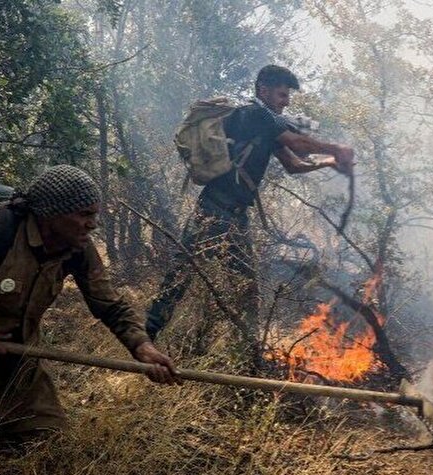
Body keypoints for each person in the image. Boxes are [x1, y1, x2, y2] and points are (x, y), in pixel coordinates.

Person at [146, 65, 355, 368]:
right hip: (214, 210)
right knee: (181, 276)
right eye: (282, 94)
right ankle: (145, 339)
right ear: (263, 90)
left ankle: (248, 356)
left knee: (246, 288)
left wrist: (328, 163)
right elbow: (297, 143)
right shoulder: (255, 116)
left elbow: (294, 165)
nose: (286, 102)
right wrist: (335, 148)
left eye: (287, 97)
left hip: (235, 216)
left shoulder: (267, 127)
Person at [0, 165, 181, 448]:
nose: (92, 224)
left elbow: (111, 305)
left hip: (17, 359)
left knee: (48, 440)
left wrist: (143, 347)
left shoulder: (78, 248)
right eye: (84, 214)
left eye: (93, 214)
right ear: (51, 214)